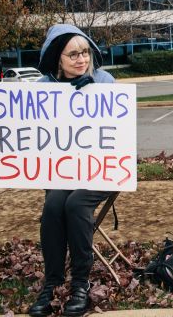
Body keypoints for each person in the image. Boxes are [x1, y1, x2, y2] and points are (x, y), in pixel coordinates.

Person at [28, 24, 116, 317]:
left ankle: (80, 282)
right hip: (63, 171)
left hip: (101, 170)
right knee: (54, 204)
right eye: (73, 54)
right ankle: (52, 283)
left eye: (85, 52)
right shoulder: (42, 88)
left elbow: (119, 132)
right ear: (58, 59)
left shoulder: (105, 82)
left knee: (77, 202)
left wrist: (92, 95)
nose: (81, 59)